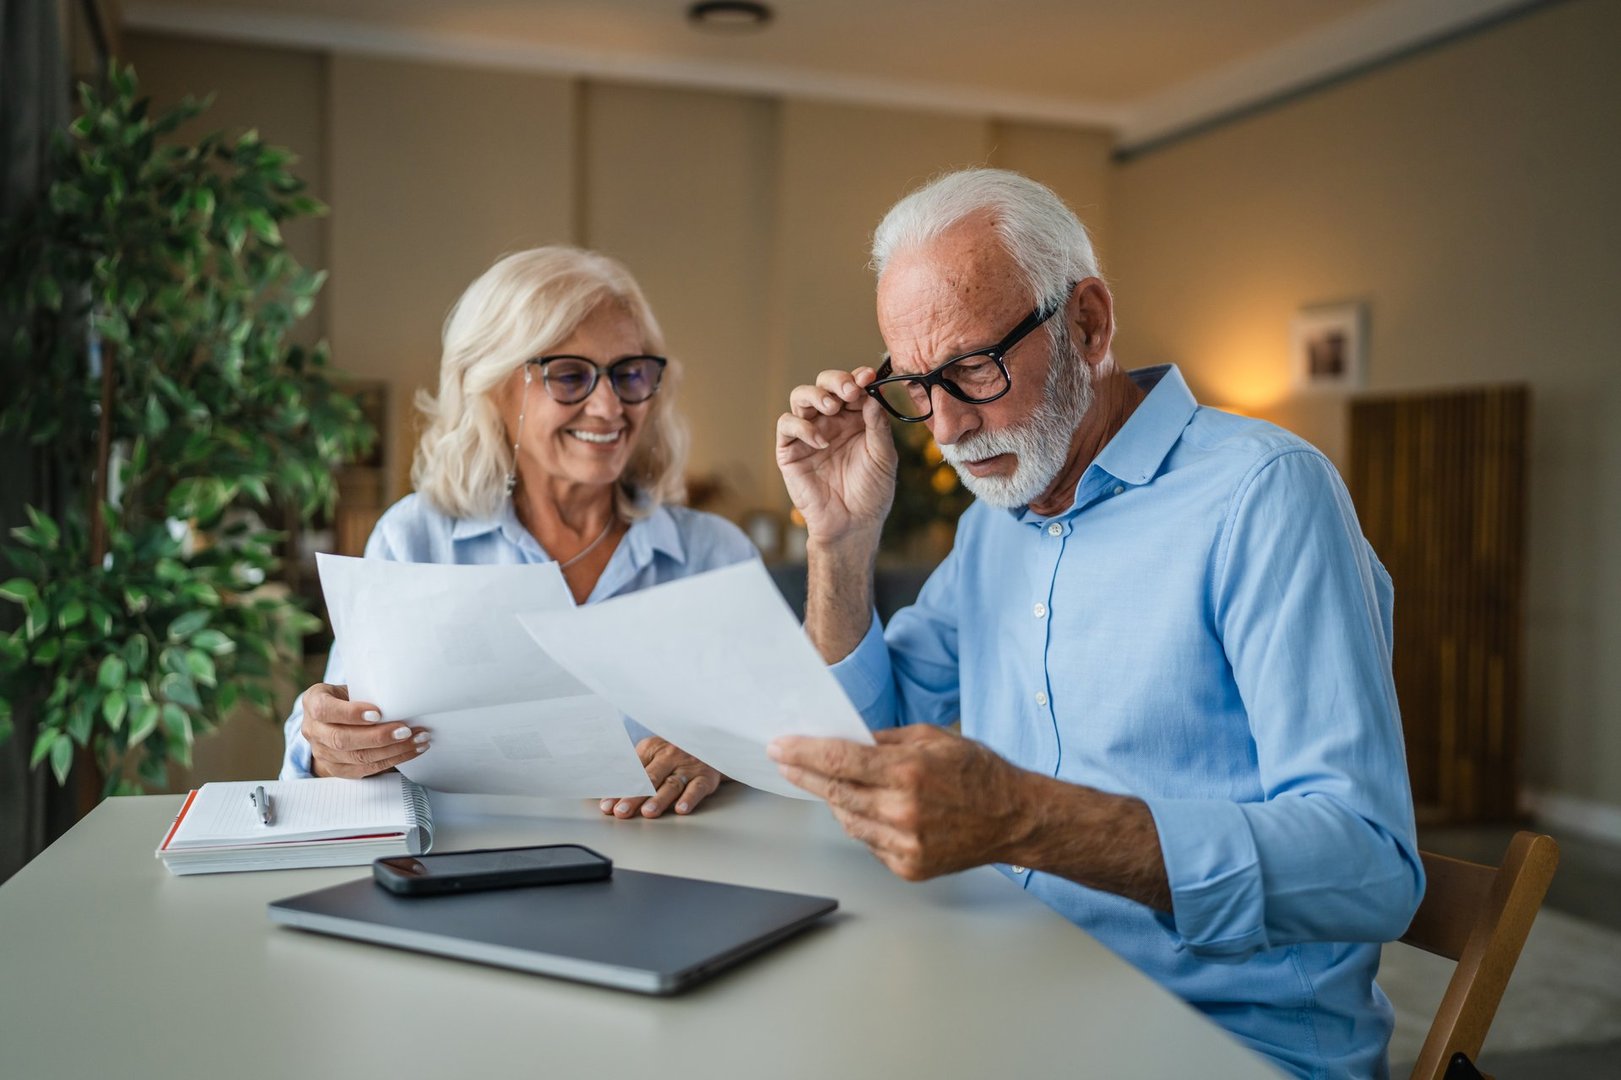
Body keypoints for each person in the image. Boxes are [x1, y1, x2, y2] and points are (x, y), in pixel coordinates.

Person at [769, 169, 1423, 1079]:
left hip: (1222, 1041)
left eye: (971, 367)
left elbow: (1368, 868)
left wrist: (1028, 820)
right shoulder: (990, 524)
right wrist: (839, 541)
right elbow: (859, 745)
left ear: (1087, 323)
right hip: (1005, 990)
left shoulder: (1262, 493)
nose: (948, 427)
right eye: (918, 384)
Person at [281, 246, 756, 818]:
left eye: (630, 374)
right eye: (570, 375)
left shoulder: (713, 554)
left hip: (675, 878)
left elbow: (795, 737)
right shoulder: (415, 542)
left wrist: (726, 753)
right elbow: (337, 750)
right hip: (464, 879)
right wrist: (331, 749)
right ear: (492, 385)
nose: (609, 407)